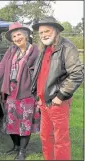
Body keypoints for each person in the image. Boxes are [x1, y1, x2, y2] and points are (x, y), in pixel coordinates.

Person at [31, 16, 84, 160]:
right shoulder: (43, 48)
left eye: (46, 31)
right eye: (41, 33)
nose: (43, 35)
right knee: (45, 137)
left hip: (58, 103)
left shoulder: (67, 47)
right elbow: (39, 75)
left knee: (61, 140)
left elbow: (77, 74)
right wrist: (38, 96)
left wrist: (61, 96)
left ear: (56, 30)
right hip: (43, 102)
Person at [0, 22, 40, 160]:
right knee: (11, 121)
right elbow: (1, 67)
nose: (17, 38)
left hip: (27, 93)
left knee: (25, 123)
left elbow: (41, 73)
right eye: (14, 36)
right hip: (10, 92)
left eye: (19, 35)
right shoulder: (11, 51)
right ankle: (16, 146)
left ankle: (22, 151)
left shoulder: (35, 51)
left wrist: (40, 94)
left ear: (26, 35)